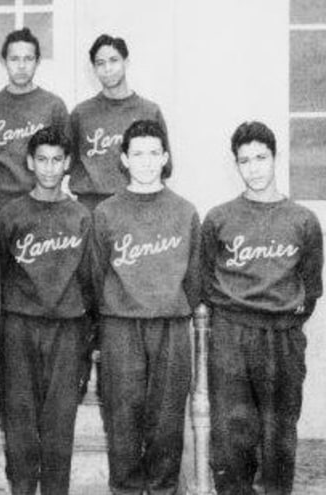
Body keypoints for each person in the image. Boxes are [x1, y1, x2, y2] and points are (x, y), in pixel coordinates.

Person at [201, 121, 323, 495]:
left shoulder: (302, 220)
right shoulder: (219, 218)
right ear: (235, 165)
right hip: (231, 335)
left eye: (261, 158)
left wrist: (283, 317)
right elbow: (205, 280)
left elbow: (311, 288)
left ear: (275, 158)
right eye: (244, 160)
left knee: (278, 435)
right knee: (231, 438)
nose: (254, 168)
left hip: (282, 336)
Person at [93, 120, 200, 494]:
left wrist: (174, 306)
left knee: (167, 424)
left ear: (165, 157)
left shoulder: (185, 212)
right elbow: (96, 274)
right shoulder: (106, 213)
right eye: (137, 153)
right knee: (122, 423)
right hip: (121, 326)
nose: (146, 161)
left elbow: (195, 279)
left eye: (154, 152)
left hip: (170, 327)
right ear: (124, 159)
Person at [0, 128, 94, 494]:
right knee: (20, 423)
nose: (49, 168)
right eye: (42, 159)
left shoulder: (81, 216)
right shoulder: (11, 214)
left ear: (68, 163)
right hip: (19, 327)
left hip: (67, 328)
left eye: (57, 160)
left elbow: (89, 278)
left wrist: (87, 335)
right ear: (29, 162)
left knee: (58, 426)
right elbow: (0, 271)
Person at [69, 34, 171, 211]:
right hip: (92, 206)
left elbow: (165, 167)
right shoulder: (81, 113)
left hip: (137, 205)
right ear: (93, 69)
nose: (108, 68)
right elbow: (67, 163)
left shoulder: (148, 111)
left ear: (126, 62)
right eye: (100, 63)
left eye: (114, 60)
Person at [0, 27, 69, 214]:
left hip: (43, 203)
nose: (21, 66)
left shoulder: (53, 105)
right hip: (0, 206)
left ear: (37, 62)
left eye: (28, 59)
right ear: (3, 61)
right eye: (14, 59)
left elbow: (66, 158)